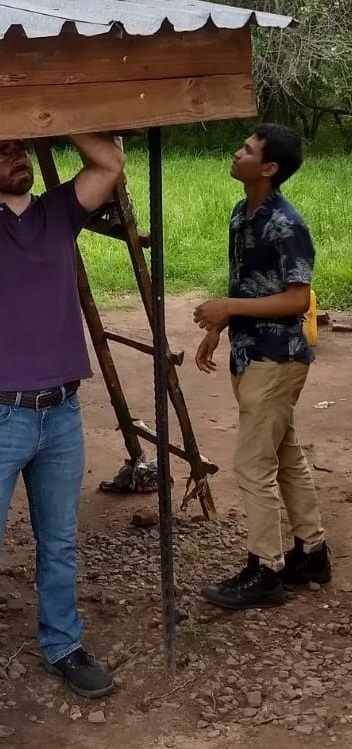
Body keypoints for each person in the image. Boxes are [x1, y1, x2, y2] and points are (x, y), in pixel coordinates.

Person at [0, 134, 124, 749]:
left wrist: (52, 121)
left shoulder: (61, 211)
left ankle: (63, 645)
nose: (16, 160)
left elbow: (110, 162)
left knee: (60, 543)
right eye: (2, 154)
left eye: (21, 151)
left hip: (61, 412)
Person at [193, 123, 331, 611]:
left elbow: (298, 298)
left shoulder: (286, 225)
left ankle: (265, 570)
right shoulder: (241, 214)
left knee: (253, 466)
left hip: (278, 358)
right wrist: (219, 327)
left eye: (247, 150)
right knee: (285, 454)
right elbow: (248, 286)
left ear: (268, 168)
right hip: (252, 354)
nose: (237, 152)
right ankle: (312, 553)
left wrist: (227, 309)